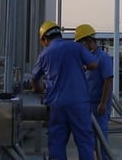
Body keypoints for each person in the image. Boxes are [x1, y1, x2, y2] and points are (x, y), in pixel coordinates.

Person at [30, 21, 98, 159]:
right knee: (85, 142)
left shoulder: (45, 54)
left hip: (57, 106)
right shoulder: (76, 47)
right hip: (79, 104)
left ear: (44, 39)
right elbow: (94, 64)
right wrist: (82, 67)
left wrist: (37, 88)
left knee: (57, 143)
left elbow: (34, 78)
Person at [74, 24, 114, 159]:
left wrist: (103, 103)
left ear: (88, 41)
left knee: (101, 138)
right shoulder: (87, 59)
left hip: (98, 107)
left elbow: (108, 80)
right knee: (88, 140)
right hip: (87, 106)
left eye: (81, 44)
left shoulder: (102, 58)